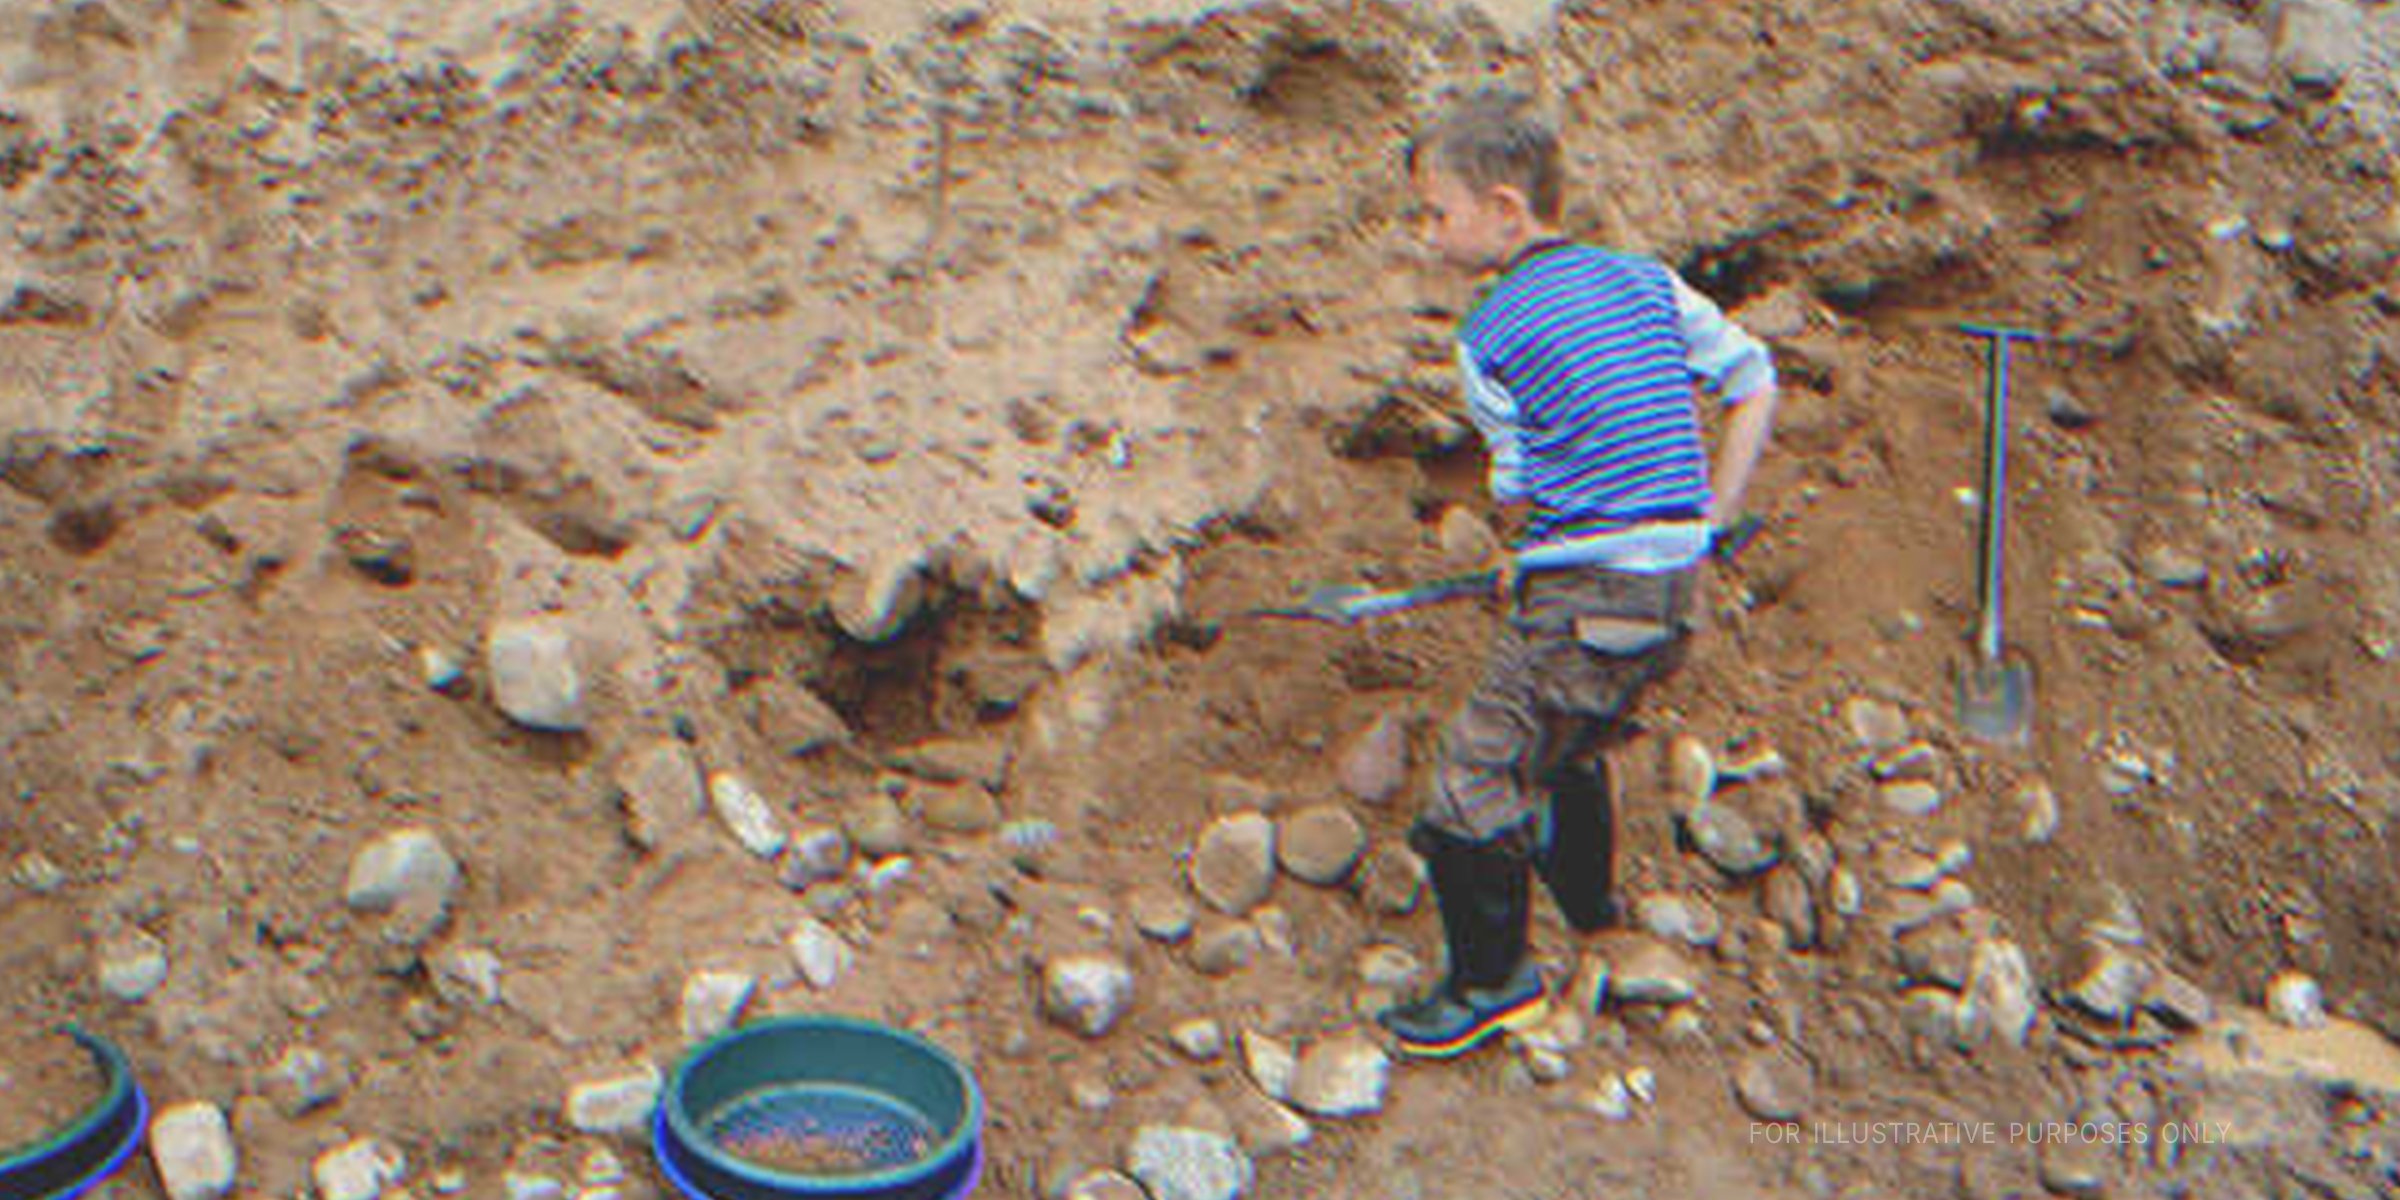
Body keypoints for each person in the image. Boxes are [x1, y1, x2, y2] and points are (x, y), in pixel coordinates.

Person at [1377, 89, 1780, 1058]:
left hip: (1586, 594)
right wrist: (1711, 519)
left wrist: (1529, 552)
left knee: (1475, 773)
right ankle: (1586, 897)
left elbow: (1518, 496)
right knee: (1577, 727)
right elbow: (1754, 376)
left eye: (1437, 213)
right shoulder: (1647, 281)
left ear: (1507, 213)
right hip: (1676, 595)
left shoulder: (1489, 333)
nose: (1427, 234)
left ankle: (1490, 983)